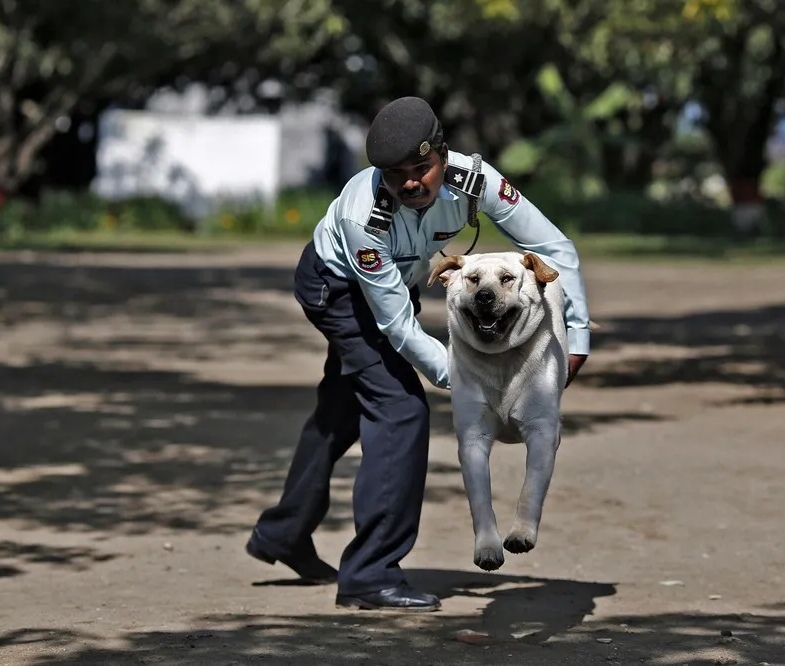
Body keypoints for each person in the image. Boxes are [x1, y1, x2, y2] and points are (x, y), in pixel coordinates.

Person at [245, 96, 591, 612]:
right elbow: (395, 324)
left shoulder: (476, 181)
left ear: (443, 157)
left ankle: (284, 532)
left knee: (343, 409)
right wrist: (463, 374)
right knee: (400, 409)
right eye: (396, 174)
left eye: (421, 168)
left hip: (392, 287)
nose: (411, 183)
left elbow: (555, 249)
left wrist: (577, 334)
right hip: (338, 290)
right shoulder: (367, 216)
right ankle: (370, 573)